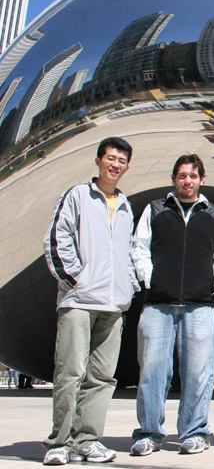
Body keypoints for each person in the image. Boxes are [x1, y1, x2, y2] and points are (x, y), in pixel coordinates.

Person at [42, 137, 139, 465]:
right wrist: (74, 279)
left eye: (122, 160)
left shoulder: (125, 206)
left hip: (113, 307)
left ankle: (88, 440)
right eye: (111, 158)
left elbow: (127, 253)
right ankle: (60, 442)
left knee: (102, 377)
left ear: (127, 166)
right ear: (98, 161)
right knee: (70, 371)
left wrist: (129, 287)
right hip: (80, 301)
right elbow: (58, 237)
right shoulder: (77, 196)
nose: (116, 165)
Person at [131, 154, 214, 456]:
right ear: (174, 179)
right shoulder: (156, 209)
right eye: (182, 176)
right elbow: (140, 248)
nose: (188, 181)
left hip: (199, 305)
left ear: (202, 179)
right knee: (152, 372)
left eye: (193, 176)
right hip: (159, 303)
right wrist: (150, 279)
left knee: (199, 372)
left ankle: (195, 431)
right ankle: (149, 432)